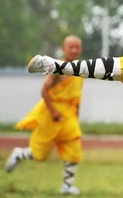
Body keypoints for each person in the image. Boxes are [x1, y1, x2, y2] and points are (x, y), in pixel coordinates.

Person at [6, 35, 85, 196]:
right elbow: (44, 91)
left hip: (68, 117)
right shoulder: (57, 68)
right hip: (50, 114)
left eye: (77, 47)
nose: (74, 50)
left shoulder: (80, 69)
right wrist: (54, 111)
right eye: (71, 47)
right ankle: (19, 154)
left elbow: (75, 96)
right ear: (64, 49)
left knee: (74, 150)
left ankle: (67, 187)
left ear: (80, 50)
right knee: (39, 155)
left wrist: (76, 113)